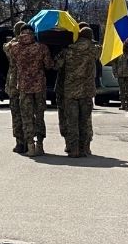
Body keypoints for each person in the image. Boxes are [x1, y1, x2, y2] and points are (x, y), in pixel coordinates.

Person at [8, 24, 53, 156]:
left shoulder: (15, 49)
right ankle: (40, 145)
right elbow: (49, 65)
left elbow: (13, 63)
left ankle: (30, 146)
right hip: (39, 86)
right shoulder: (42, 48)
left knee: (26, 117)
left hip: (23, 87)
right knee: (39, 116)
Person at [57, 26, 100, 157]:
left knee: (72, 120)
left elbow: (56, 65)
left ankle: (73, 149)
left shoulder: (68, 50)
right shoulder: (94, 50)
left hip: (70, 91)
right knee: (85, 121)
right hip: (87, 90)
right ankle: (85, 148)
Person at [5, 21, 27, 152]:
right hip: (30, 83)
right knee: (29, 114)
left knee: (17, 115)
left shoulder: (12, 46)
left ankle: (20, 143)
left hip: (14, 84)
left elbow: (6, 47)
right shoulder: (34, 45)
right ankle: (31, 141)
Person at [113, 40, 128, 111]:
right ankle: (122, 104)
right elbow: (114, 65)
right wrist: (115, 73)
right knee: (122, 90)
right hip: (120, 74)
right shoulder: (118, 55)